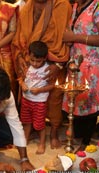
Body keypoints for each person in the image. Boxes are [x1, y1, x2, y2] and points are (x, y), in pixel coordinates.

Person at [12, 0, 72, 149]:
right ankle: (31, 128)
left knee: (54, 98)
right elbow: (19, 38)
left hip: (54, 61)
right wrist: (20, 57)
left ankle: (53, 133)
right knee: (28, 98)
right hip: (30, 59)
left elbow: (65, 37)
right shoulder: (26, 9)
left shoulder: (62, 5)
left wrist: (58, 65)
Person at [62, 0, 99, 150]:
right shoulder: (77, 6)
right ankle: (81, 139)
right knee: (78, 102)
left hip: (93, 66)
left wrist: (74, 38)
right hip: (77, 63)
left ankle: (86, 143)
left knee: (90, 104)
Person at [18, 41, 55, 154]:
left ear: (44, 58)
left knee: (39, 124)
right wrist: (22, 84)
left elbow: (52, 85)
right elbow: (20, 79)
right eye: (32, 60)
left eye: (38, 61)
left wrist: (40, 90)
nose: (35, 63)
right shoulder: (27, 66)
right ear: (28, 55)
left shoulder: (48, 69)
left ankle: (42, 143)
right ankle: (23, 140)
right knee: (26, 122)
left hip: (39, 102)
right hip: (26, 100)